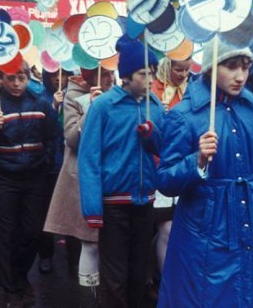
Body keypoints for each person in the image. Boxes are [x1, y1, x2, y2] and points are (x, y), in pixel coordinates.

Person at [157, 39, 253, 307]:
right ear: (211, 67)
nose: (240, 76)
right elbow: (166, 180)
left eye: (245, 67)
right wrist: (197, 161)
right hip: (204, 231)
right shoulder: (184, 115)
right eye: (231, 66)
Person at [78, 36, 163, 308]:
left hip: (145, 200)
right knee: (114, 274)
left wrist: (152, 135)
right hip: (113, 203)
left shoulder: (154, 104)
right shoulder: (103, 106)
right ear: (126, 76)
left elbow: (163, 146)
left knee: (139, 271)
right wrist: (92, 208)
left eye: (153, 73)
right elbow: (89, 158)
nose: (150, 79)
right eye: (143, 73)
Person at [0, 62, 59, 306]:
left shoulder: (40, 104)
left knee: (32, 232)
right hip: (4, 178)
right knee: (6, 234)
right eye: (11, 78)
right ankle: (11, 289)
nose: (17, 83)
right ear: (1, 79)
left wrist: (45, 162)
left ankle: (19, 276)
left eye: (21, 78)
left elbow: (53, 136)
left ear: (28, 78)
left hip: (34, 178)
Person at [44, 66, 115, 306]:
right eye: (105, 73)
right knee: (90, 242)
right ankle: (89, 299)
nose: (110, 78)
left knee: (111, 245)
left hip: (112, 176)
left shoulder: (117, 95)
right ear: (91, 74)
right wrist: (92, 109)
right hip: (83, 178)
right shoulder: (73, 96)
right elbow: (72, 139)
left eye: (112, 73)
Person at [149, 56, 191, 283]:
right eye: (179, 70)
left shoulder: (191, 91)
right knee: (165, 228)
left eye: (186, 70)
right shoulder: (153, 91)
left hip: (185, 169)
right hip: (160, 169)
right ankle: (165, 282)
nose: (183, 75)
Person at [34, 68, 71, 274]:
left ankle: (74, 256)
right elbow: (39, 129)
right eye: (54, 74)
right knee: (45, 210)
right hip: (49, 163)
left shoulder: (75, 95)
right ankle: (45, 255)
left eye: (63, 74)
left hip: (70, 162)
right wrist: (54, 107)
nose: (58, 78)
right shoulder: (40, 98)